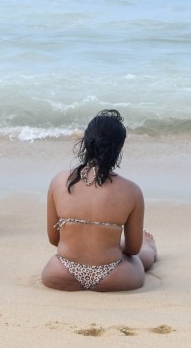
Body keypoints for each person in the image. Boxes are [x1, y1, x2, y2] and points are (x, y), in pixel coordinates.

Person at [41, 110, 157, 292]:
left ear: (86, 141)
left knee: (66, 256)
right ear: (119, 147)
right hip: (113, 276)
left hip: (62, 272)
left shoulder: (59, 181)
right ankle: (150, 248)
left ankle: (108, 243)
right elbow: (133, 249)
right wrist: (108, 240)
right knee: (139, 256)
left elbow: (54, 239)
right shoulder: (131, 191)